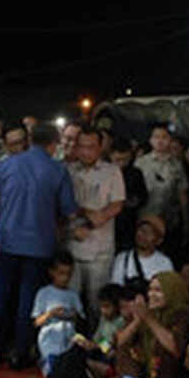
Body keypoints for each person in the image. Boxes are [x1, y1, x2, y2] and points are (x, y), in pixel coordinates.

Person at [0, 123, 78, 366]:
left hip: (7, 240)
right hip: (40, 244)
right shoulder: (57, 170)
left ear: (30, 140)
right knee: (27, 301)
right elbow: (70, 212)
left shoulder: (8, 163)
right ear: (53, 144)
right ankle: (20, 352)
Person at [65, 127, 126, 317]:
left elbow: (116, 205)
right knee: (69, 303)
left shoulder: (112, 171)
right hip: (71, 247)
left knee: (98, 305)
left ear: (100, 148)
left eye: (91, 147)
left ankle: (99, 345)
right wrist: (86, 213)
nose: (86, 151)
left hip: (100, 250)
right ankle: (68, 344)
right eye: (81, 146)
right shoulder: (68, 170)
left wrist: (89, 220)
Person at [135, 125, 188, 248]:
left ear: (170, 140)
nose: (160, 141)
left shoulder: (176, 164)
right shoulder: (141, 162)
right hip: (144, 217)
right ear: (150, 140)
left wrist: (186, 220)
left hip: (168, 219)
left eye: (164, 137)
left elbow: (182, 193)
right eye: (156, 137)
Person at [110, 215, 174, 291]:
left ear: (158, 240)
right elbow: (115, 289)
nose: (143, 235)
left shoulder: (164, 263)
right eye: (142, 230)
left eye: (150, 232)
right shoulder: (123, 258)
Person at [109, 139, 148, 251]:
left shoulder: (135, 173)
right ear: (111, 155)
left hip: (128, 222)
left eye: (125, 159)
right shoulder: (104, 171)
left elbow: (143, 197)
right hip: (108, 221)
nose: (121, 163)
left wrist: (134, 201)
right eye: (118, 160)